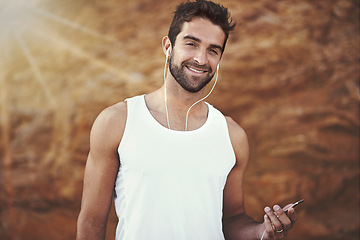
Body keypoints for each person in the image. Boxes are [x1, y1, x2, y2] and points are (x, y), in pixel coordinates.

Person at [76, 0, 299, 239]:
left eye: (213, 50)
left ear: (220, 59)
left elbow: (232, 219)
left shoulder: (232, 135)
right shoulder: (118, 121)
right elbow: (91, 223)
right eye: (191, 44)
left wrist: (261, 232)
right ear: (168, 46)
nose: (201, 59)